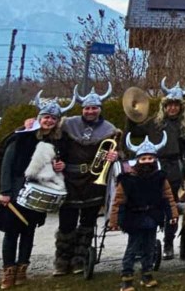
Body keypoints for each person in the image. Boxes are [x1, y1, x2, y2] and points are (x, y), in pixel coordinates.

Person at [0, 92, 69, 289]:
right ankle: (8, 272)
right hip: (16, 191)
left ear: (57, 121)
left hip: (38, 193)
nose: (49, 121)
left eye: (53, 118)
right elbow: (7, 164)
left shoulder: (56, 142)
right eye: (46, 117)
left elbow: (53, 167)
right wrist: (5, 191)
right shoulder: (22, 136)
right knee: (11, 233)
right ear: (39, 118)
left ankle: (22, 271)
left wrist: (59, 166)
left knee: (28, 232)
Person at [55, 83, 121, 276]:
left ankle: (80, 260)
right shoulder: (67, 124)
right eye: (87, 108)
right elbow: (49, 135)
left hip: (93, 181)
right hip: (69, 179)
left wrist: (116, 156)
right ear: (82, 109)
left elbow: (118, 152)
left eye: (94, 108)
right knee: (66, 223)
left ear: (100, 109)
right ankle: (62, 262)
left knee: (87, 222)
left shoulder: (109, 129)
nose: (90, 111)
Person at [129, 78, 185, 260]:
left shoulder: (184, 126)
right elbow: (135, 132)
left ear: (181, 107)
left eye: (176, 105)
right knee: (147, 206)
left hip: (173, 170)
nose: (172, 108)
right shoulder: (154, 122)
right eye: (169, 105)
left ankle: (168, 244)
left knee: (171, 207)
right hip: (151, 168)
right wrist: (131, 114)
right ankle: (144, 243)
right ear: (164, 106)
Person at [109, 133, 178, 291]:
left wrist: (172, 215)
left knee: (149, 248)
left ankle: (147, 274)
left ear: (155, 160)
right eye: (144, 158)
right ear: (138, 160)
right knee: (132, 249)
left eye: (150, 158)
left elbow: (168, 197)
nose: (147, 161)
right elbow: (118, 201)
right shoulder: (127, 179)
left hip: (152, 218)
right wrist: (114, 221)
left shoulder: (160, 178)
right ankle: (126, 278)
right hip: (134, 219)